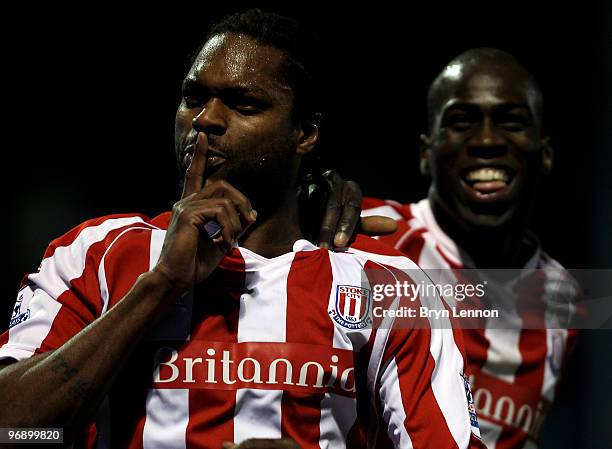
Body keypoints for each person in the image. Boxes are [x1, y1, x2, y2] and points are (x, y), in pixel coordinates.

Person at [0, 10, 484, 449]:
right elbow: (14, 431)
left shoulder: (390, 287)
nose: (206, 120)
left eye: (244, 104)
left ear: (306, 133)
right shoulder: (94, 254)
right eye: (193, 97)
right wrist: (159, 285)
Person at [359, 48, 579, 449]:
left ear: (545, 154)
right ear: (426, 153)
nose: (487, 140)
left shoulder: (563, 297)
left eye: (511, 122)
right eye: (461, 122)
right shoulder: (368, 238)